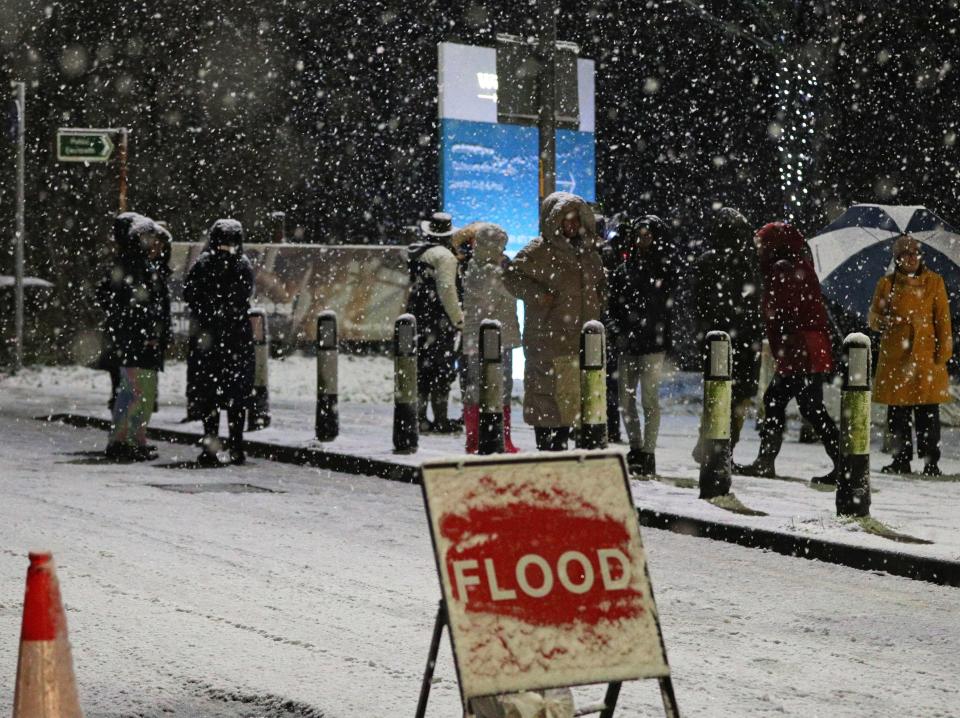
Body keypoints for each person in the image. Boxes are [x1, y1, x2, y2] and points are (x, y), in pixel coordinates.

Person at [737, 222, 840, 483]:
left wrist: (780, 338)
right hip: (805, 345)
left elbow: (783, 312)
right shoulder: (797, 265)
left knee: (796, 404)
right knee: (798, 404)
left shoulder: (783, 269)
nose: (758, 249)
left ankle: (844, 464)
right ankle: (844, 463)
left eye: (762, 244)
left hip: (800, 347)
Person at [504, 191, 606, 451]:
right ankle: (549, 447)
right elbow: (512, 277)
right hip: (548, 337)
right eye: (565, 220)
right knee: (547, 393)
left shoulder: (588, 253)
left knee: (572, 397)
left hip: (580, 340)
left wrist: (599, 306)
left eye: (575, 220)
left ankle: (563, 447)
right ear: (554, 221)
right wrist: (539, 296)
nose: (571, 226)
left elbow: (600, 286)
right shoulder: (538, 251)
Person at [868, 234, 953, 475]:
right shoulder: (886, 284)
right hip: (897, 353)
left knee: (928, 412)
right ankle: (900, 459)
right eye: (906, 254)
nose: (912, 258)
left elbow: (943, 320)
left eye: (915, 253)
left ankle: (931, 462)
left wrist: (944, 351)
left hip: (926, 353)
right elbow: (873, 315)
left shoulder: (935, 282)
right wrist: (881, 322)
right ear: (897, 259)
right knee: (897, 412)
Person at [606, 215, 679, 475]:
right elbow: (612, 307)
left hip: (651, 345)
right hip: (630, 344)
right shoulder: (624, 270)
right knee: (627, 401)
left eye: (647, 235)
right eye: (639, 235)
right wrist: (617, 332)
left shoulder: (664, 269)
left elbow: (665, 307)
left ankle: (647, 452)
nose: (642, 240)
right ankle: (638, 448)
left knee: (648, 400)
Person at [691, 207, 764, 463]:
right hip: (743, 340)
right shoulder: (749, 263)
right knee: (737, 398)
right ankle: (723, 449)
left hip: (720, 340)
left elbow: (698, 304)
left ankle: (712, 444)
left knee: (718, 394)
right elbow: (754, 303)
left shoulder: (707, 263)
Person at [183, 219, 255, 466]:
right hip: (235, 340)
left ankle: (212, 445)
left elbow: (190, 293)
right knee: (235, 396)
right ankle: (236, 446)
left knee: (209, 395)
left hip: (210, 340)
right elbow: (242, 297)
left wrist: (209, 311)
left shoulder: (204, 264)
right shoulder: (242, 265)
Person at [103, 216, 170, 461]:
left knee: (134, 391)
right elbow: (145, 304)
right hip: (139, 339)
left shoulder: (131, 264)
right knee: (137, 391)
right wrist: (150, 331)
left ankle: (128, 439)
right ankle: (126, 440)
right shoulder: (138, 266)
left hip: (132, 338)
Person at [452, 222, 521, 453]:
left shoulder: (472, 267)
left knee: (474, 389)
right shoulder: (493, 272)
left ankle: (474, 438)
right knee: (501, 388)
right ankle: (501, 437)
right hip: (496, 338)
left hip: (474, 338)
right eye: (500, 246)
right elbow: (515, 290)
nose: (503, 250)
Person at [406, 212, 464, 433]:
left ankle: (419, 418)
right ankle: (440, 419)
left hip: (418, 321)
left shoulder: (418, 253)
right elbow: (447, 291)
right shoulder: (444, 257)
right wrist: (458, 319)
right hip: (439, 323)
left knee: (421, 371)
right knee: (442, 371)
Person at [95, 211, 144, 412]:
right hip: (128, 330)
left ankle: (122, 428)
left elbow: (103, 292)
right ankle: (124, 431)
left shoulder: (119, 262)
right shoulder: (132, 262)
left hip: (120, 329)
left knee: (121, 380)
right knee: (128, 382)